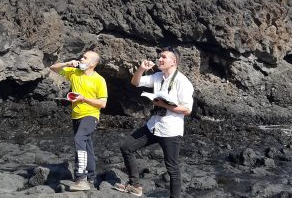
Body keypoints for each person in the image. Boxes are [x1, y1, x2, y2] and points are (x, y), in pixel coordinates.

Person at [113, 47, 194, 198]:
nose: (160, 59)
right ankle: (135, 185)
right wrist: (141, 69)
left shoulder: (183, 81)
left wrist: (164, 105)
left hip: (170, 130)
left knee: (172, 168)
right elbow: (135, 82)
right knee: (126, 147)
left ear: (174, 61)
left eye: (164, 57)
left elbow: (188, 109)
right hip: (153, 126)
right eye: (159, 56)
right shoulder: (158, 76)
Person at [50, 51, 108, 191]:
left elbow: (102, 103)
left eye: (85, 58)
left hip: (91, 115)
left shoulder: (99, 80)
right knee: (87, 145)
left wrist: (83, 99)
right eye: (81, 56)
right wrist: (67, 63)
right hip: (76, 115)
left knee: (79, 139)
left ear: (93, 63)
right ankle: (92, 176)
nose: (81, 58)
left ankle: (81, 178)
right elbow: (53, 68)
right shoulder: (74, 72)